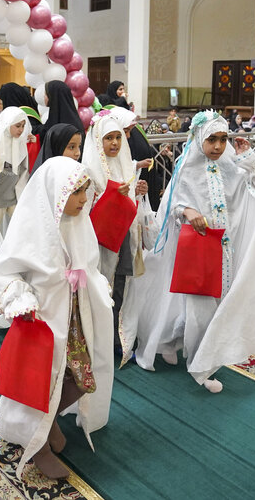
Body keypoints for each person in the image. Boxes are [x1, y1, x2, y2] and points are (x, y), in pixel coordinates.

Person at [0, 156, 113, 479]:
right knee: (40, 385)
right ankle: (37, 445)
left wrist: (97, 287)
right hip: (41, 322)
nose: (84, 199)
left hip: (74, 320)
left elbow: (90, 266)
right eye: (77, 192)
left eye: (85, 191)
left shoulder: (80, 223)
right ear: (56, 194)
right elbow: (1, 271)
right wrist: (20, 297)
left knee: (82, 380)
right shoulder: (33, 227)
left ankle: (50, 421)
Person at [132, 111, 255, 392]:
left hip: (223, 250)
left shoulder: (232, 166)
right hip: (195, 248)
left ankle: (169, 343)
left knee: (208, 304)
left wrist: (247, 161)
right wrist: (187, 210)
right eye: (211, 140)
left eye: (223, 139)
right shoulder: (187, 167)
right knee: (199, 308)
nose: (218, 146)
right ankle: (201, 366)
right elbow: (171, 206)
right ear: (198, 138)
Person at [82, 111, 151, 355]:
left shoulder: (124, 166)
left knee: (121, 286)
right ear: (97, 141)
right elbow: (82, 212)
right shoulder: (89, 171)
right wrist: (111, 197)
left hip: (123, 239)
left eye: (118, 137)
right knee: (101, 289)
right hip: (99, 243)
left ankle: (116, 338)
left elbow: (132, 206)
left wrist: (138, 192)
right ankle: (96, 341)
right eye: (108, 138)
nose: (114, 143)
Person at [0, 106, 33, 234]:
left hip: (15, 192)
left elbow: (24, 168)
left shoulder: (21, 142)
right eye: (18, 126)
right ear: (7, 124)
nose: (21, 130)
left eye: (23, 126)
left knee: (21, 227)